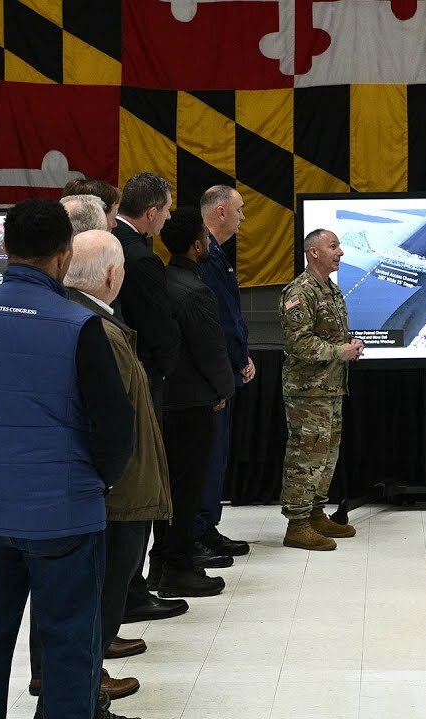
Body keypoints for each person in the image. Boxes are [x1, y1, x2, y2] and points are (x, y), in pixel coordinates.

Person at [0, 198, 134, 719]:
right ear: (64, 254)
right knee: (69, 645)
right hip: (65, 515)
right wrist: (94, 480)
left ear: (5, 249)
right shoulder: (80, 327)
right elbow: (115, 432)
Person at [55, 228, 172, 719]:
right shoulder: (94, 329)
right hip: (116, 491)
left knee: (100, 587)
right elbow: (107, 418)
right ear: (110, 274)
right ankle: (86, 685)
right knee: (103, 588)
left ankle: (82, 678)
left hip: (115, 485)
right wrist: (111, 479)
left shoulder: (91, 319)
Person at [110, 172, 188, 624]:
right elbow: (160, 331)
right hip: (141, 376)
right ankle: (131, 592)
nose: (169, 218)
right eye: (168, 210)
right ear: (153, 212)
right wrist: (166, 366)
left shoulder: (110, 241)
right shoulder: (138, 258)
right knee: (140, 487)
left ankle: (129, 589)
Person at [148, 208, 235, 596]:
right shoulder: (196, 291)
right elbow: (210, 350)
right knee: (187, 490)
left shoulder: (160, 282)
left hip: (164, 400)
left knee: (166, 490)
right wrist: (224, 389)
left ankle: (160, 563)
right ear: (198, 244)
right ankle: (179, 569)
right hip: (193, 403)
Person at [279, 229, 363, 551]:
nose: (340, 252)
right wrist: (339, 352)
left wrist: (349, 346)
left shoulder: (330, 290)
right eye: (333, 246)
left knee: (325, 456)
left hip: (329, 387)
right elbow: (299, 342)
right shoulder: (299, 292)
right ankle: (297, 524)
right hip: (307, 391)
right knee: (306, 454)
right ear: (313, 252)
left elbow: (330, 335)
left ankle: (315, 513)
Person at [195, 185, 254, 563]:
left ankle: (208, 526)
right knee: (206, 454)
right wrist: (231, 361)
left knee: (217, 454)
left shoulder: (218, 255)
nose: (242, 217)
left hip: (227, 367)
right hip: (211, 374)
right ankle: (198, 531)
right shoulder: (203, 256)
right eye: (239, 210)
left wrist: (243, 355)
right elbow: (211, 321)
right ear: (220, 211)